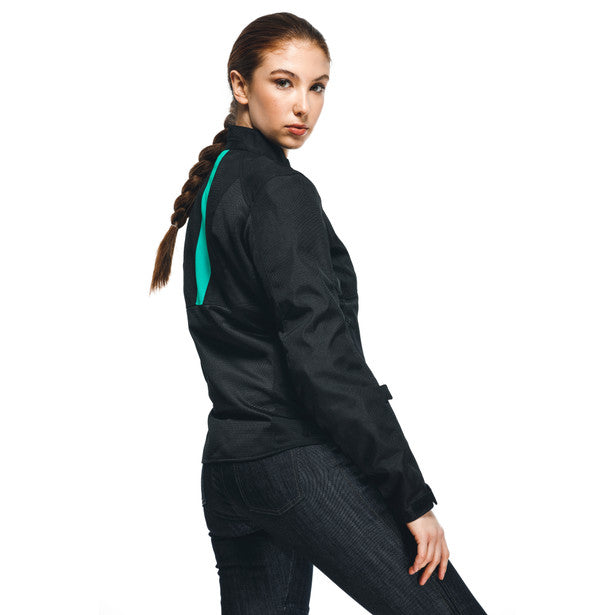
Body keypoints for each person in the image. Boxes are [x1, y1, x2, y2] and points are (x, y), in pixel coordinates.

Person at [150, 12, 488, 615]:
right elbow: (322, 357)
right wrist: (410, 498)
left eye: (318, 86)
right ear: (239, 85)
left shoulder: (217, 182)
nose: (303, 105)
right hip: (292, 463)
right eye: (283, 82)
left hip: (230, 468)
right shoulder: (279, 191)